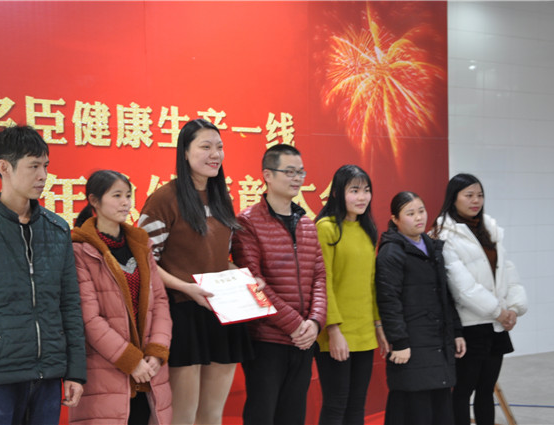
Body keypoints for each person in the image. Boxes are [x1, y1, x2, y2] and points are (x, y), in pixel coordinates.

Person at [0, 125, 87, 425]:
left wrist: (75, 371)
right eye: (33, 166)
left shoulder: (58, 229)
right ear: (4, 167)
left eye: (45, 166)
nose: (43, 175)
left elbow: (70, 306)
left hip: (49, 377)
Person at [137, 118, 253, 425]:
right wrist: (186, 288)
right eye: (205, 147)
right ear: (185, 152)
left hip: (221, 311)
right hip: (182, 313)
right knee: (181, 416)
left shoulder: (222, 198)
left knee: (212, 414)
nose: (215, 154)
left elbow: (219, 259)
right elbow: (144, 262)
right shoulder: (164, 199)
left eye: (219, 147)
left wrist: (246, 280)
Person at [232, 144, 327, 425]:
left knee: (294, 416)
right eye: (290, 172)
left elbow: (320, 277)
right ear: (268, 175)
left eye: (301, 172)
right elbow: (253, 282)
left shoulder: (307, 223)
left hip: (304, 340)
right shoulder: (247, 222)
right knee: (262, 415)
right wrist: (295, 325)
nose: (297, 178)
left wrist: (315, 322)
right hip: (267, 340)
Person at [69, 170, 172, 425]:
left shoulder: (140, 244)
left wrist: (156, 351)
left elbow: (160, 302)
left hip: (149, 370)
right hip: (106, 369)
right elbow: (89, 318)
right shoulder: (80, 249)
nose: (125, 203)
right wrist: (131, 361)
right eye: (116, 196)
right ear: (94, 201)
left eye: (128, 195)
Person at [431, 173, 527, 425]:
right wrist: (498, 312)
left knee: (486, 390)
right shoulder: (444, 234)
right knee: (463, 391)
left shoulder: (489, 228)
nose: (476, 201)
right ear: (453, 198)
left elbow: (507, 270)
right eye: (469, 195)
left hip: (496, 325)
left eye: (480, 195)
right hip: (469, 326)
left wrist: (514, 308)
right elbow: (462, 287)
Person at [375, 191, 466, 425]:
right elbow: (388, 300)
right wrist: (400, 342)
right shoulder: (391, 252)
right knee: (415, 406)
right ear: (395, 219)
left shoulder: (432, 246)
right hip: (412, 342)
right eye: (410, 213)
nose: (418, 217)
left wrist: (456, 331)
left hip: (437, 339)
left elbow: (445, 294)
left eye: (421, 211)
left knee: (440, 405)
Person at [314, 165, 388, 425]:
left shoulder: (368, 230)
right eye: (354, 190)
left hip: (364, 331)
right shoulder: (326, 228)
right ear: (337, 193)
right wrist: (333, 330)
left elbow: (371, 283)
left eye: (366, 190)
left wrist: (378, 325)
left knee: (357, 405)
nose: (362, 197)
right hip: (335, 332)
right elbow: (323, 282)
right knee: (336, 404)